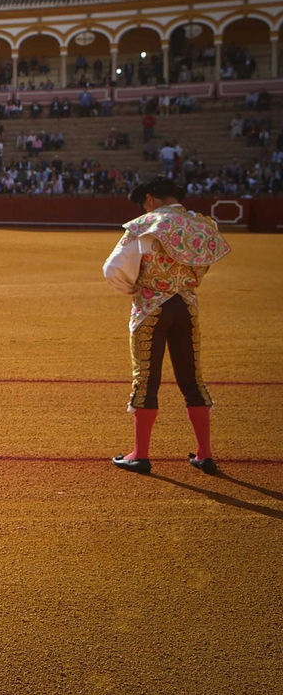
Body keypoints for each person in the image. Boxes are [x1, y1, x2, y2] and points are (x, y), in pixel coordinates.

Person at [103, 177, 229, 474]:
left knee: (146, 379)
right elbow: (205, 260)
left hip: (151, 308)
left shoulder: (145, 225)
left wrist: (137, 288)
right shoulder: (202, 224)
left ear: (150, 198)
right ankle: (205, 453)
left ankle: (140, 454)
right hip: (187, 306)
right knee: (192, 379)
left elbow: (113, 269)